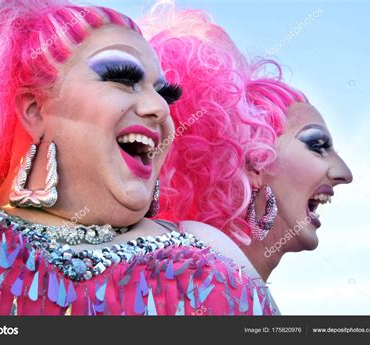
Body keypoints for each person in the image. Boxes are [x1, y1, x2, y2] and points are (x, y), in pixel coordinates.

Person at [0, 0, 273, 315]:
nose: (159, 108)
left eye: (165, 93)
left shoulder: (207, 247)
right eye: (121, 77)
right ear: (34, 109)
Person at [141, 4, 353, 312]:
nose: (344, 173)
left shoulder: (231, 286)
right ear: (255, 162)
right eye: (317, 145)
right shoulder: (199, 286)